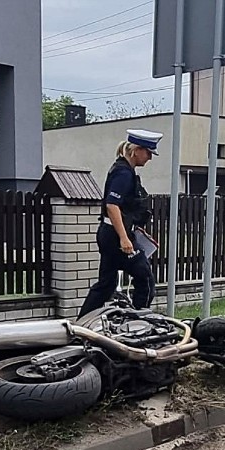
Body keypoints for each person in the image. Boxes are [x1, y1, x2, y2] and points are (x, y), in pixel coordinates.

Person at [78, 129, 162, 318]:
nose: (150, 158)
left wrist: (134, 230)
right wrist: (124, 238)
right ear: (136, 150)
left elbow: (124, 209)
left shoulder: (123, 169)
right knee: (144, 277)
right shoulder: (123, 173)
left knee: (106, 284)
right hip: (116, 237)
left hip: (109, 233)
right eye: (148, 153)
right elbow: (112, 205)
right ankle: (140, 320)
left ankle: (80, 325)